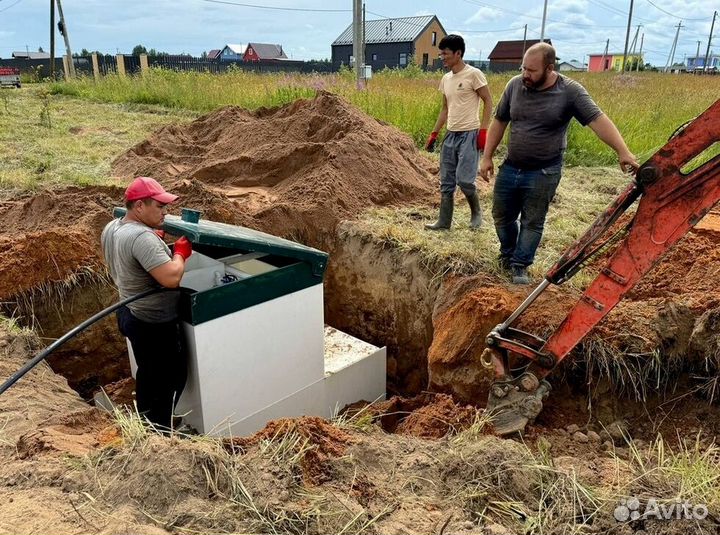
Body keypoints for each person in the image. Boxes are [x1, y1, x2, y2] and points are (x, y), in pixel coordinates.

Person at [480, 42, 638, 284]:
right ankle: (508, 254)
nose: (525, 75)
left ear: (549, 68)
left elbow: (598, 120)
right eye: (523, 68)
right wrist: (487, 156)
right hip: (512, 166)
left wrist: (623, 151)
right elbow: (500, 121)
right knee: (501, 216)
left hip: (544, 171)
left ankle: (520, 265)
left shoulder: (570, 91)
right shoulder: (514, 86)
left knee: (532, 220)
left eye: (531, 71)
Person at [101, 176, 193, 429]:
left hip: (128, 312)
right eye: (160, 207)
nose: (165, 212)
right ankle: (160, 432)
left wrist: (155, 240)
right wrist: (179, 253)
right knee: (171, 378)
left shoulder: (113, 227)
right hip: (154, 322)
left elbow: (129, 256)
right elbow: (171, 277)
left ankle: (145, 419)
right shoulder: (142, 238)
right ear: (139, 206)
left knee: (149, 372)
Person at [425, 34, 493, 231]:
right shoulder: (446, 79)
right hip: (451, 135)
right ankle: (444, 222)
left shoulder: (474, 74)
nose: (442, 58)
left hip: (469, 134)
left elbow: (488, 101)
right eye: (441, 54)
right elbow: (445, 109)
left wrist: (483, 131)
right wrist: (434, 134)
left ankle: (476, 213)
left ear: (458, 53)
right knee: (446, 181)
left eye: (445, 54)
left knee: (464, 179)